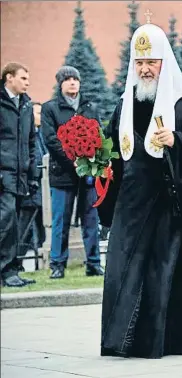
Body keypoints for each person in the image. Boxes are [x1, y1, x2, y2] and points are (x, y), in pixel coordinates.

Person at [98, 21, 182, 359]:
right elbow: (112, 151)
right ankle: (120, 340)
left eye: (151, 62)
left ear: (164, 63)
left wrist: (177, 141)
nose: (145, 69)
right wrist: (95, 160)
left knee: (159, 276)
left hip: (169, 204)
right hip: (131, 204)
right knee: (122, 272)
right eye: (139, 63)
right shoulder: (125, 104)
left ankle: (163, 339)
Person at [41, 66, 103, 279]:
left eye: (75, 79)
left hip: (88, 174)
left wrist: (92, 162)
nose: (72, 82)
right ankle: (57, 264)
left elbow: (98, 134)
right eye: (67, 79)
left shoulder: (89, 107)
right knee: (61, 221)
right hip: (63, 174)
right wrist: (73, 162)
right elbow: (51, 140)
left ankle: (94, 263)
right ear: (60, 84)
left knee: (91, 220)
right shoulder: (51, 109)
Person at [0, 62, 38, 287]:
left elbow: (31, 142)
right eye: (23, 78)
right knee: (6, 223)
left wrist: (32, 174)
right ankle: (7, 272)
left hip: (20, 177)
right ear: (9, 78)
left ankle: (11, 270)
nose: (27, 83)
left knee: (14, 224)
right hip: (4, 175)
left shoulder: (26, 106)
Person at [16, 102, 48, 265]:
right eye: (36, 113)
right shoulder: (27, 136)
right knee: (25, 229)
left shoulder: (41, 133)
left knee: (42, 229)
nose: (39, 116)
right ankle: (17, 261)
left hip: (43, 190)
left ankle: (41, 262)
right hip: (30, 189)